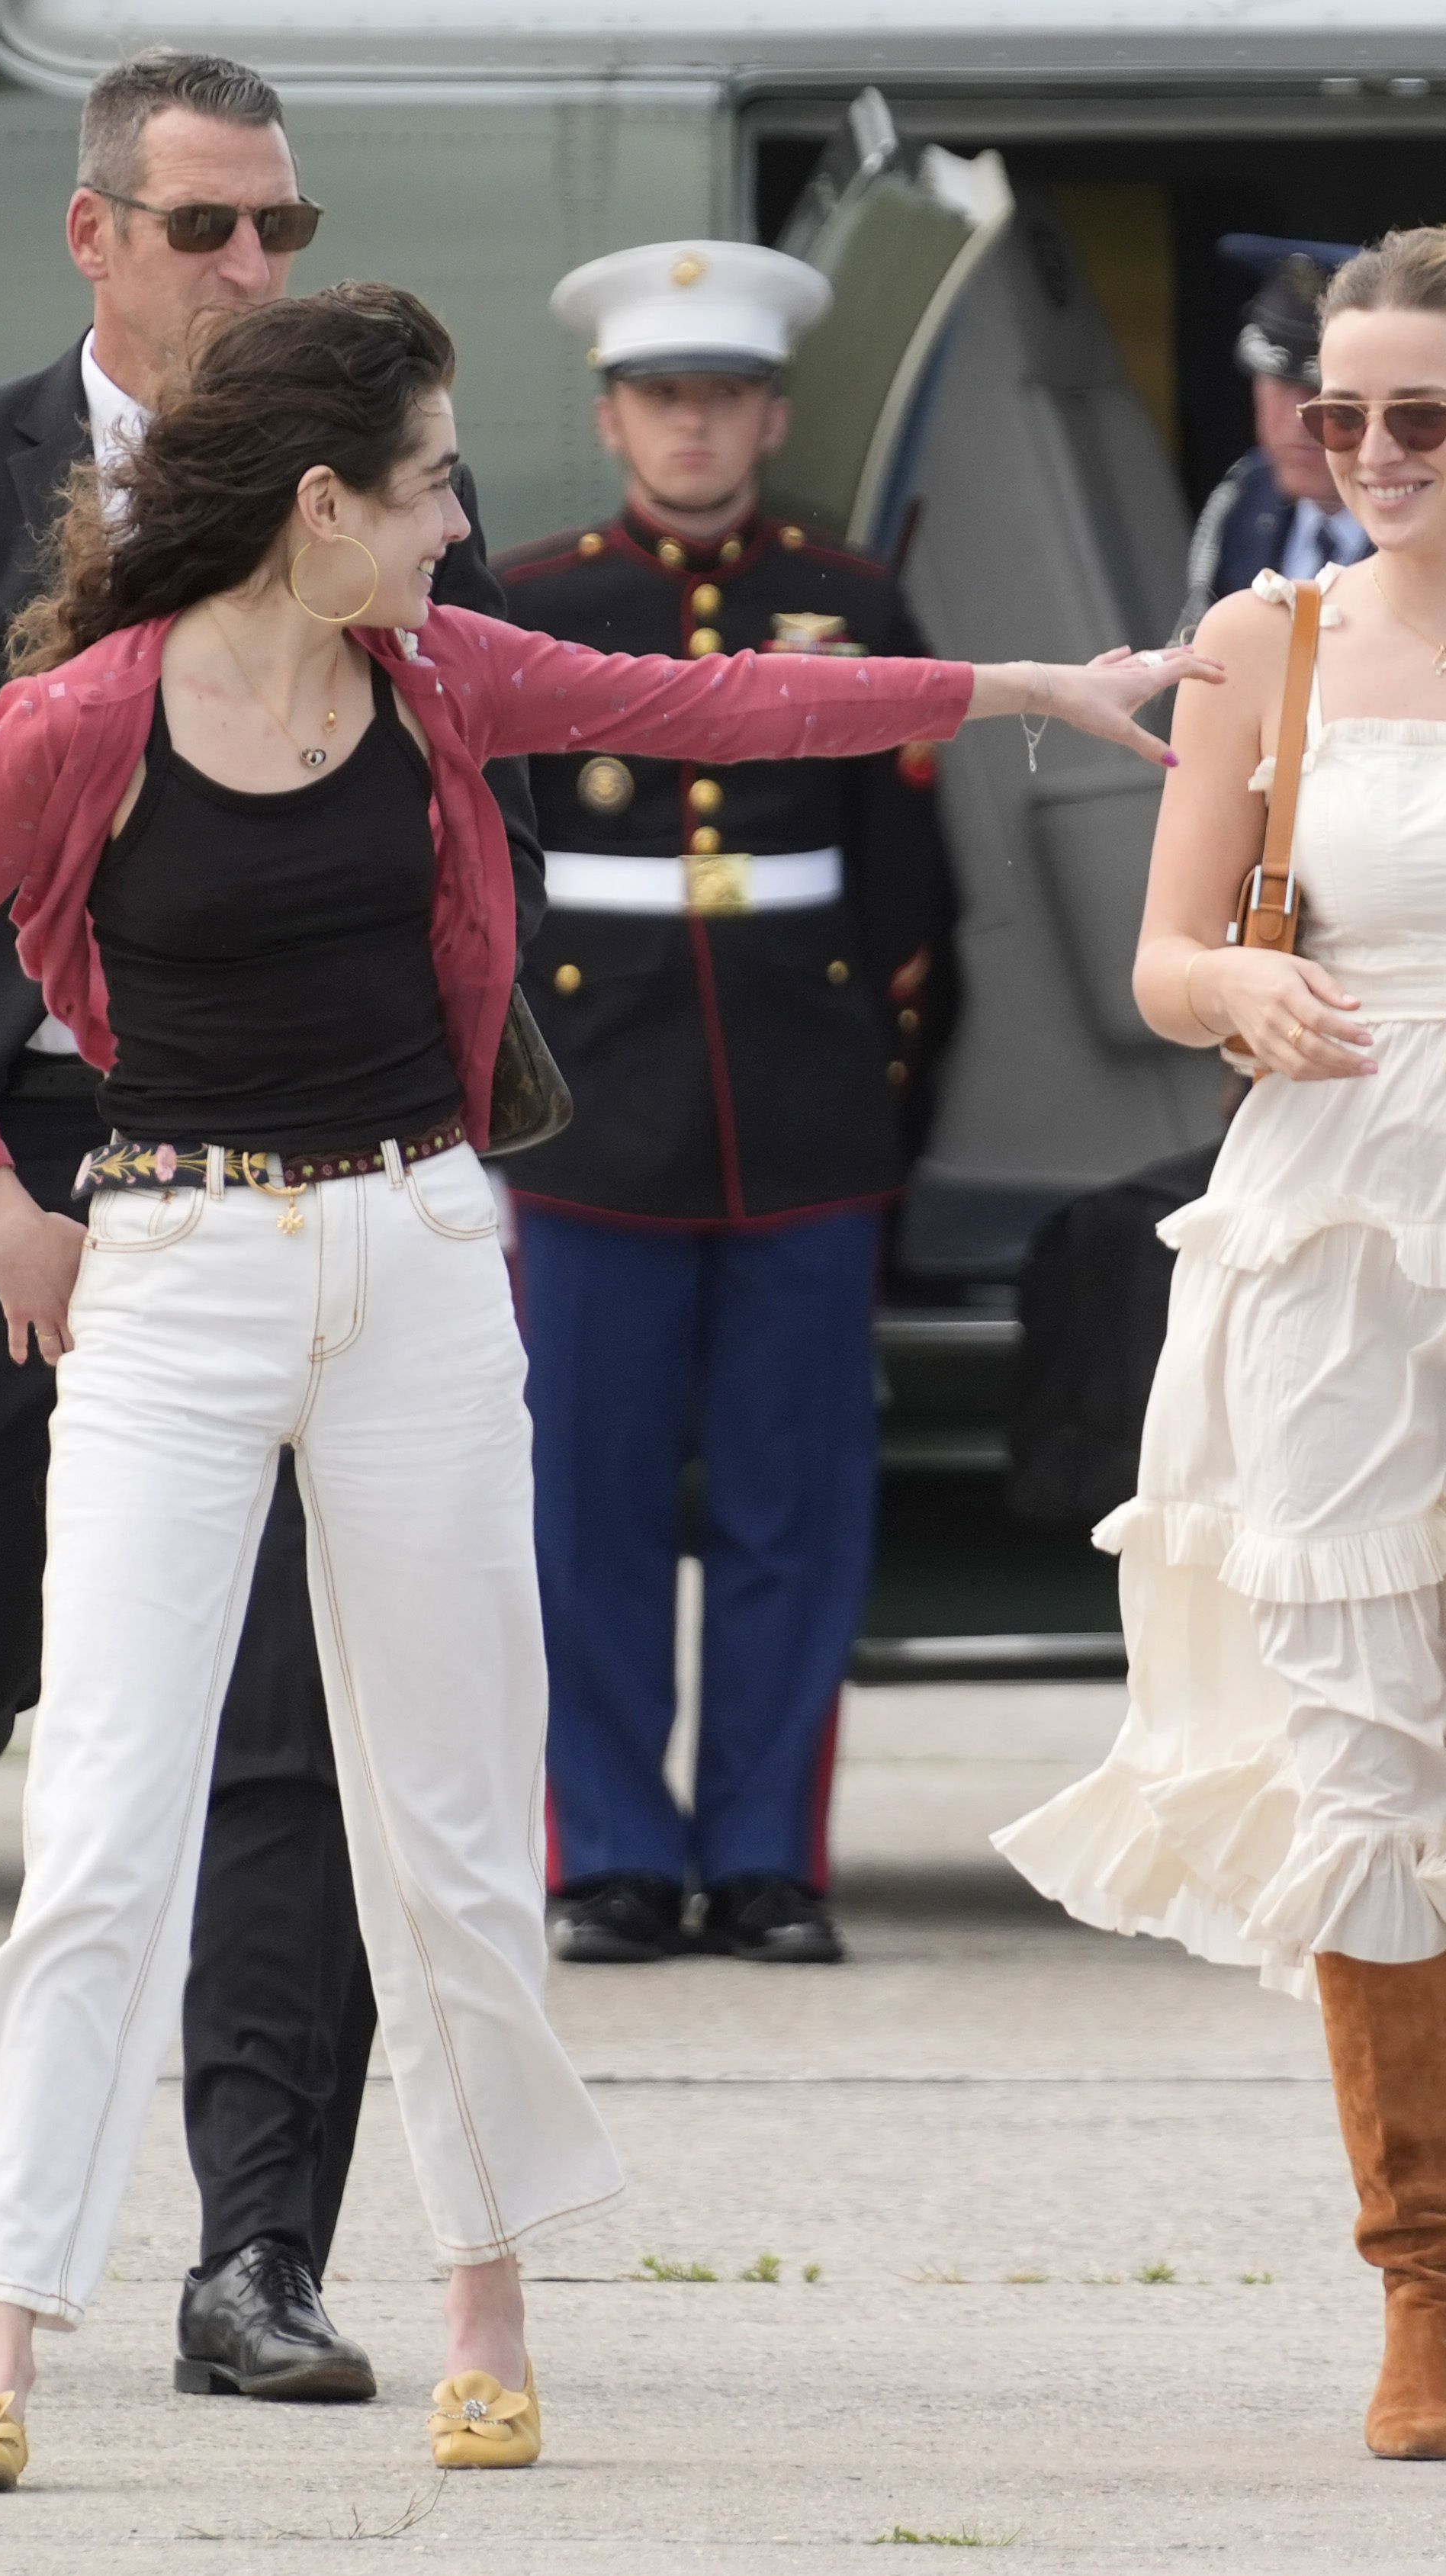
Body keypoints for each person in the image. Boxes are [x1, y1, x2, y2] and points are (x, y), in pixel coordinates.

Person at [0, 281, 1205, 2495]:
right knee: (101, 1816)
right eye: (433, 482)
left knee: (454, 1828)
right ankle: (4, 2322)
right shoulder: (84, 716)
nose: (461, 516)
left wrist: (1030, 681)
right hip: (170, 1281)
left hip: (423, 1264)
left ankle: (484, 2295)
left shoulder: (445, 673)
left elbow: (725, 702)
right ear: (322, 505)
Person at [0, 47, 541, 2406]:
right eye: (208, 227)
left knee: (299, 1730)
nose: (253, 266)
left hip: (309, 1193)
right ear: (93, 236)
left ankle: (260, 2247)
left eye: (283, 227)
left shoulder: (411, 514)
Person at [999, 225, 1446, 2467]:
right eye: (1334, 416)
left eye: (1414, 418)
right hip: (1319, 1248)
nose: (1365, 453)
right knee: (1365, 1767)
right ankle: (1424, 2272)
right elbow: (1161, 959)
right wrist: (1236, 994)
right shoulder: (1257, 641)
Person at [498, 240, 961, 1971]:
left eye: (722, 394)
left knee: (796, 1503)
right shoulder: (529, 598)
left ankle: (766, 1856)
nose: (691, 424)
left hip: (803, 1113)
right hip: (584, 1113)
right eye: (658, 394)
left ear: (770, 411)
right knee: (585, 1503)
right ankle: (612, 1854)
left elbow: (914, 898)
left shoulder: (852, 596)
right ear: (615, 412)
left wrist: (880, 1117)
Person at [1175, 235, 1370, 634]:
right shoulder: (1244, 499)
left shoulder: (1431, 530)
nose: (1301, 420)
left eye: (1327, 393)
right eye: (1280, 386)